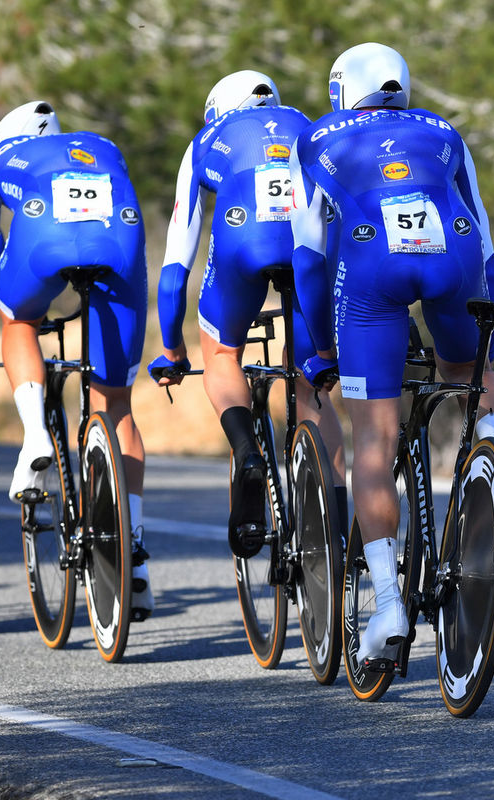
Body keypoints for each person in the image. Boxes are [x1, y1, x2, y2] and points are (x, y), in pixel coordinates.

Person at [289, 42, 494, 660]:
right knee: (470, 373)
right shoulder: (444, 130)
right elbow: (486, 240)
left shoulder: (318, 137)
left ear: (342, 90)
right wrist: (483, 322)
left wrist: (323, 347)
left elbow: (308, 260)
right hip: (456, 258)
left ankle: (388, 609)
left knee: (376, 444)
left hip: (371, 275)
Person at [0, 101, 155, 621]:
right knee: (118, 407)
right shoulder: (102, 146)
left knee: (18, 320)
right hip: (119, 243)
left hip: (42, 243)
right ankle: (135, 557)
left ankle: (36, 431)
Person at [150, 70, 348, 559]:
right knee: (311, 377)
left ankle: (245, 451)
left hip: (244, 242)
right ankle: (342, 517)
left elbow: (177, 260)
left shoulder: (205, 139)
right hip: (309, 248)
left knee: (221, 353)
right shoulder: (309, 124)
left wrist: (172, 347)